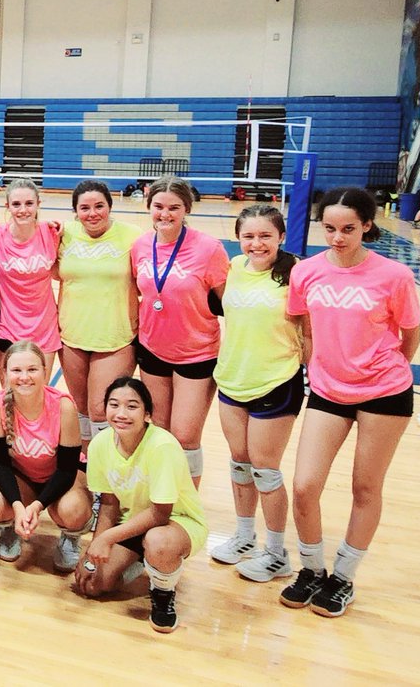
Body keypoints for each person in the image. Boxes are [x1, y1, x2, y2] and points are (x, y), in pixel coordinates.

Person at [281, 187, 420, 618]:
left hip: (384, 391)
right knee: (305, 485)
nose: (337, 237)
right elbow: (301, 322)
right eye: (329, 229)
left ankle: (343, 577)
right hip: (327, 389)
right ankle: (311, 570)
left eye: (347, 229)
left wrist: (379, 370)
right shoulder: (306, 272)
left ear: (366, 226)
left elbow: (409, 336)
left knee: (365, 487)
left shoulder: (393, 276)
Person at [210, 205, 304, 583]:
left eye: (265, 235)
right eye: (248, 236)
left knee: (266, 470)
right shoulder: (233, 269)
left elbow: (310, 329)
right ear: (238, 238)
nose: (256, 243)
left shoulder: (296, 273)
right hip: (233, 378)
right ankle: (245, 536)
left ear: (280, 236)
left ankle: (277, 554)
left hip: (277, 381)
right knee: (239, 463)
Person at [75, 377, 208, 634]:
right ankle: (143, 562)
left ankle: (162, 592)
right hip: (133, 522)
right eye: (114, 405)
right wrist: (94, 552)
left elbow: (160, 514)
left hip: (176, 523)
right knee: (92, 585)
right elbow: (109, 504)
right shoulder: (101, 445)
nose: (121, 413)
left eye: (132, 406)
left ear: (147, 413)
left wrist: (109, 538)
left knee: (158, 542)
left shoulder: (163, 446)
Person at [129, 176, 229, 485]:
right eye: (158, 206)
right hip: (152, 348)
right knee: (158, 430)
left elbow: (230, 304)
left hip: (196, 353)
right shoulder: (141, 246)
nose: (165, 214)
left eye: (174, 207)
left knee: (185, 436)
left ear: (186, 209)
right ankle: (159, 497)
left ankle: (186, 507)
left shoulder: (209, 249)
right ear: (149, 207)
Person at [0, 341, 91, 572]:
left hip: (61, 476)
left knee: (74, 510)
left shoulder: (63, 405)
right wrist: (19, 506)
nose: (24, 377)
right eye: (16, 370)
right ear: (5, 373)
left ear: (44, 371)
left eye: (32, 369)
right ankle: (12, 526)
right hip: (23, 476)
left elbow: (67, 469)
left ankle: (70, 537)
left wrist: (37, 506)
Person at [56, 180, 142, 448]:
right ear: (75, 212)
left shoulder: (133, 236)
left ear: (110, 206)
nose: (92, 213)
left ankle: (109, 472)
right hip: (71, 335)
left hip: (115, 338)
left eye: (99, 206)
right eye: (84, 208)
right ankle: (88, 472)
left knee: (99, 408)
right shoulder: (63, 234)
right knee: (81, 408)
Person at [0, 179, 61, 382]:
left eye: (29, 203)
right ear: (7, 206)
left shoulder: (52, 233)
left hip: (44, 328)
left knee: (40, 394)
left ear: (38, 203)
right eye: (16, 204)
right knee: (10, 395)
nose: (23, 210)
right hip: (7, 328)